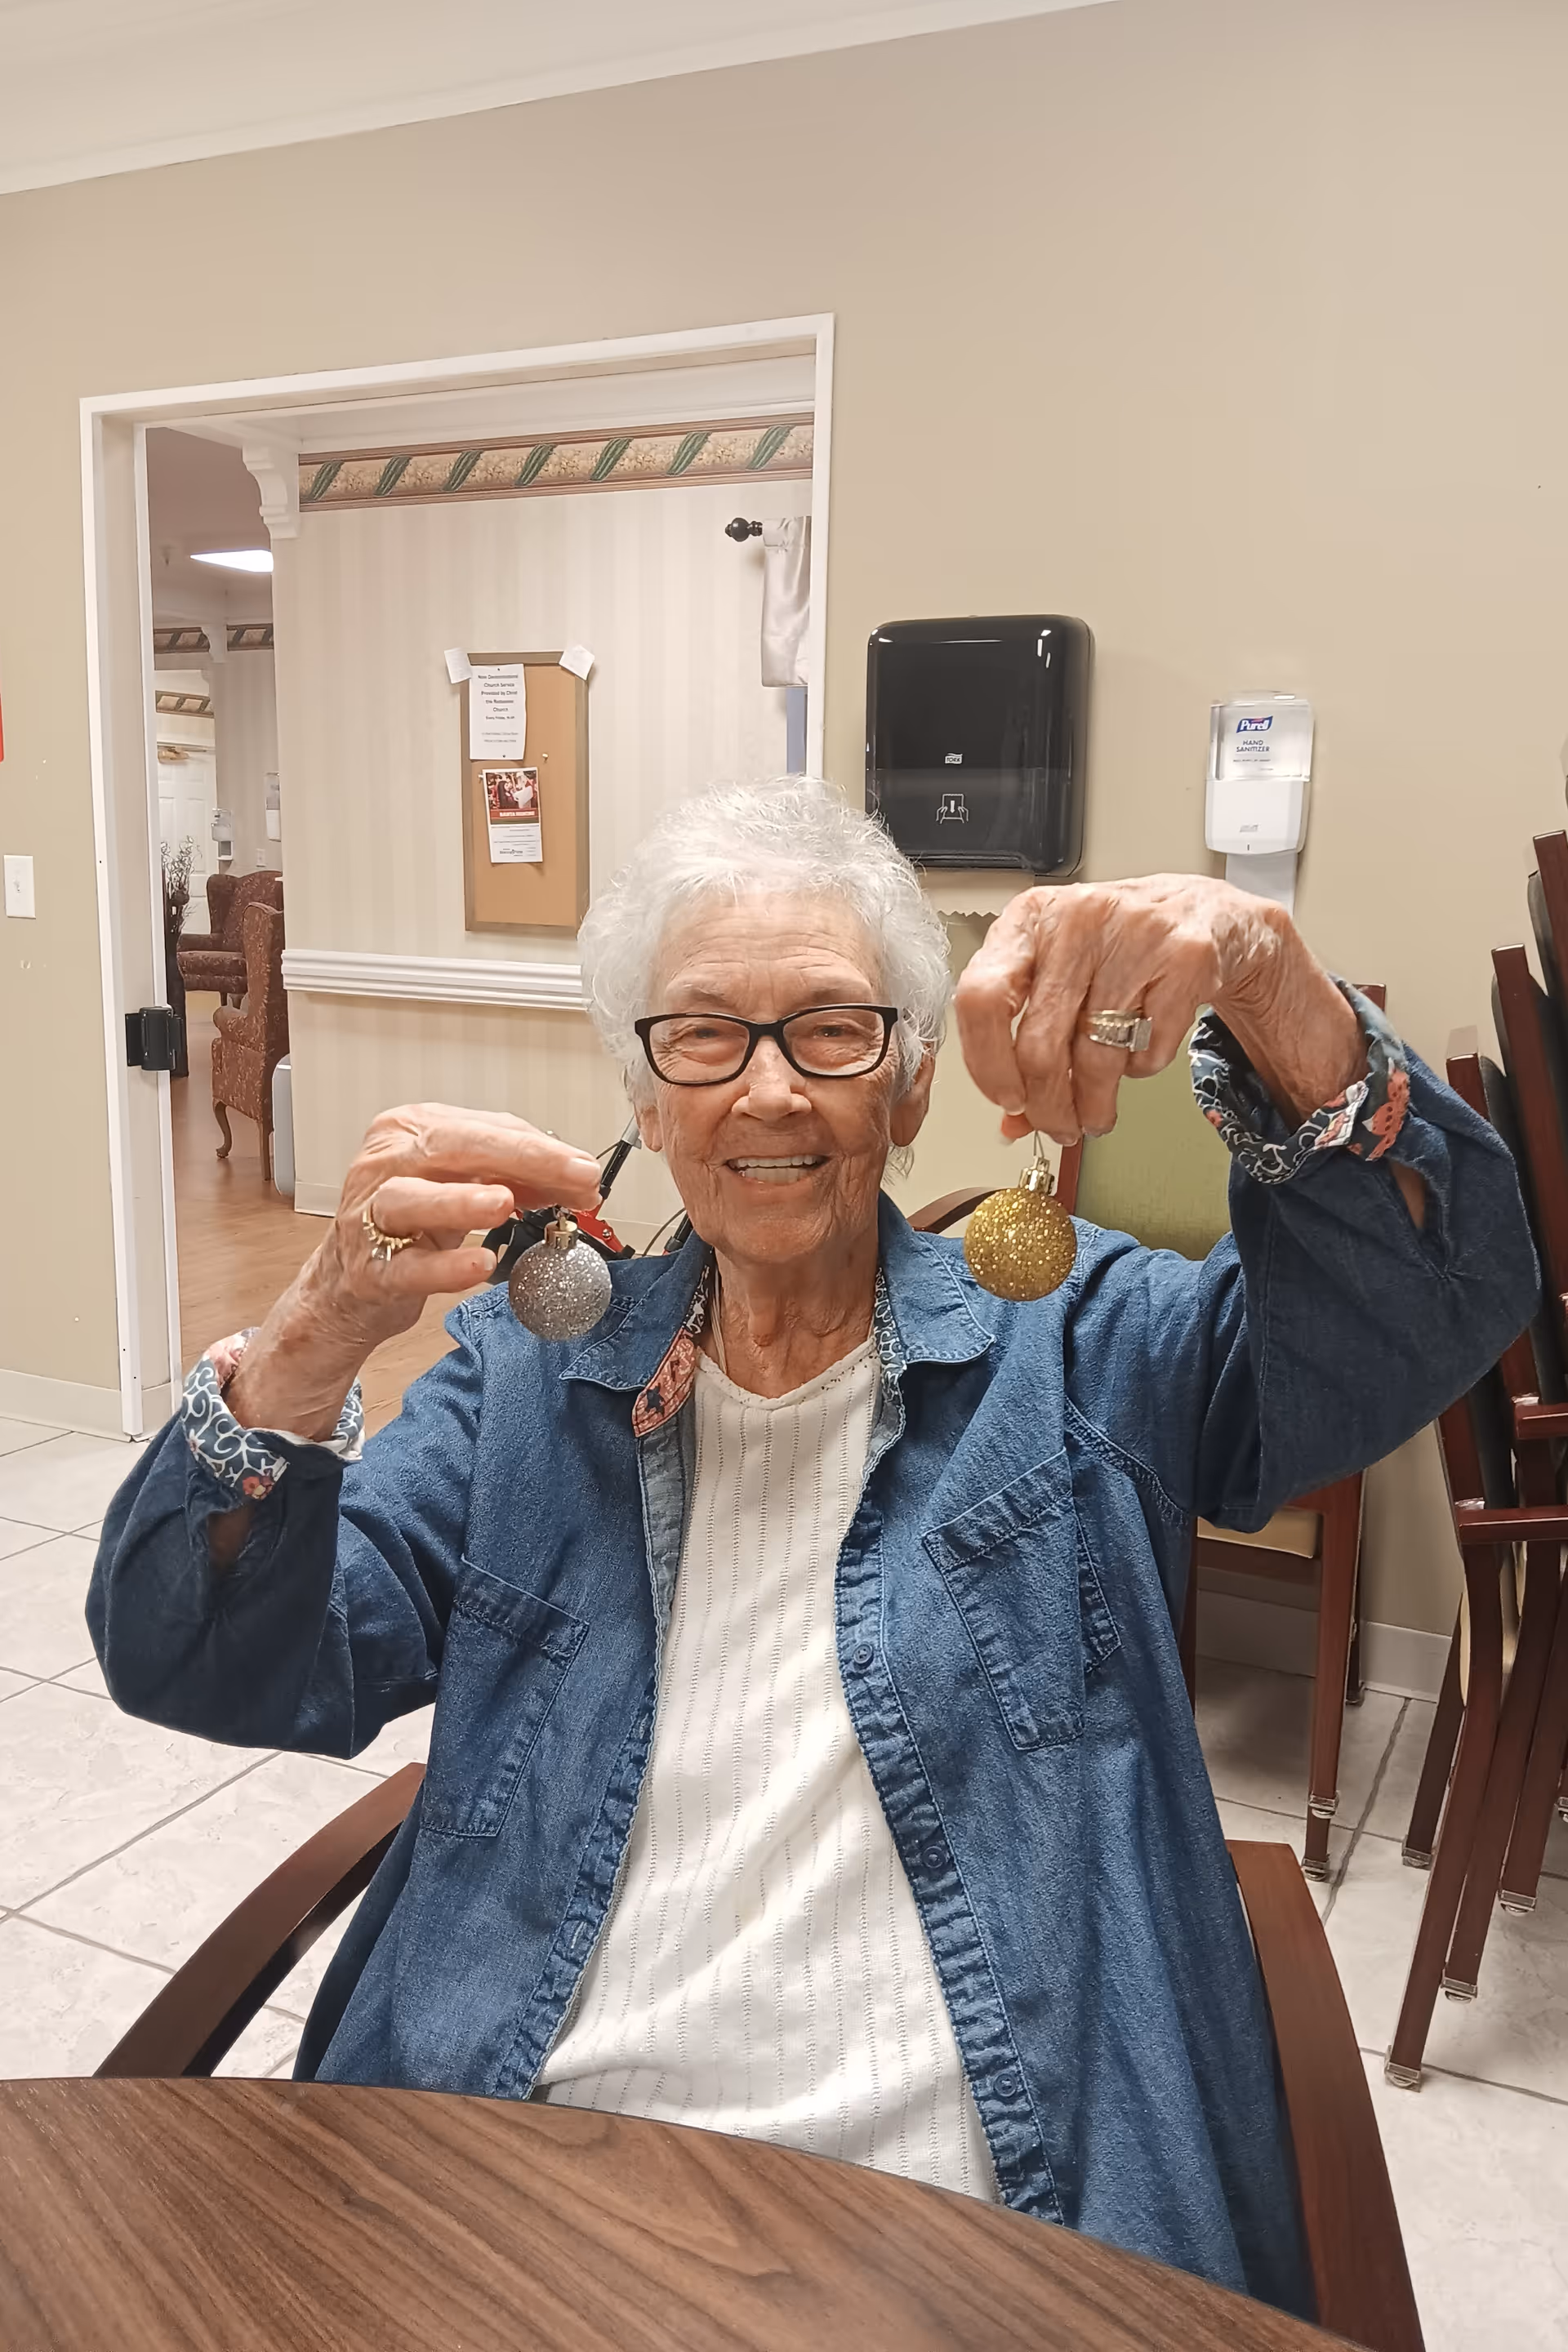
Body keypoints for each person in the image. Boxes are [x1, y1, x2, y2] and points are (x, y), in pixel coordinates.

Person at [91, 778, 1535, 2319]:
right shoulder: (528, 1378)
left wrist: (1269, 983)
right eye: (704, 1036)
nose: (768, 1093)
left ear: (910, 1087)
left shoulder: (1080, 1347)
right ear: (646, 1097)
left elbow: (1436, 1305)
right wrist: (313, 1333)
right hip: (519, 2181)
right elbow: (206, 1659)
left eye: (832, 1032)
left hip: (977, 2211)